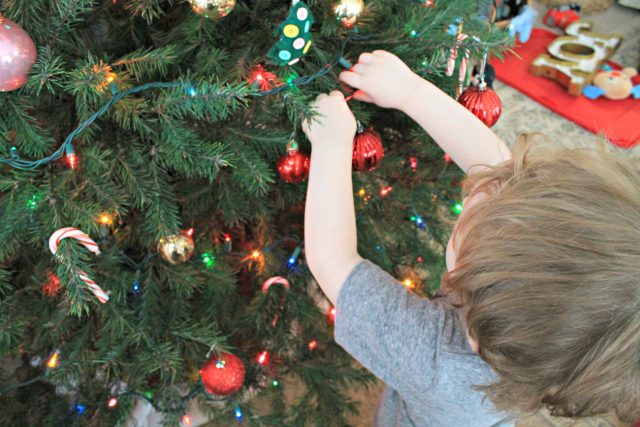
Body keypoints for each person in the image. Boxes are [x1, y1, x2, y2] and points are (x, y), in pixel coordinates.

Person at [303, 50, 640, 427]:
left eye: (476, 221)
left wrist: (330, 142)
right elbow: (499, 170)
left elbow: (332, 259)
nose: (480, 191)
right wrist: (410, 92)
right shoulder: (523, 332)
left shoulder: (435, 360)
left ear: (482, 323)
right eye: (511, 189)